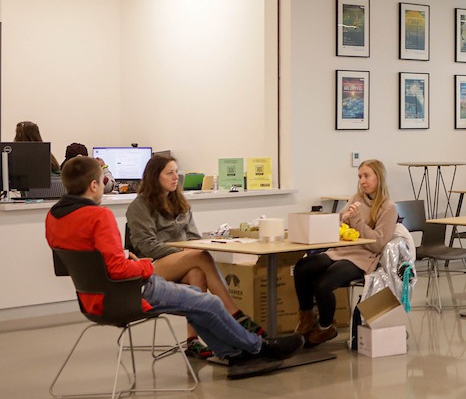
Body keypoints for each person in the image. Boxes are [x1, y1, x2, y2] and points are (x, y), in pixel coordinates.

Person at [46, 156, 302, 378]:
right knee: (209, 304)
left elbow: (91, 262)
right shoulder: (98, 215)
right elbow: (118, 270)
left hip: (94, 298)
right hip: (130, 292)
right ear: (93, 185)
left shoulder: (54, 216)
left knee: (199, 294)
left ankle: (234, 354)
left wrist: (127, 260)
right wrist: (144, 266)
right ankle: (259, 348)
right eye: (103, 181)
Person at [126, 154, 262, 357]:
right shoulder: (139, 207)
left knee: (197, 272)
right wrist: (184, 253)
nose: (175, 178)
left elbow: (194, 238)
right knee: (199, 257)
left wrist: (188, 253)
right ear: (155, 177)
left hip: (180, 261)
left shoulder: (181, 203)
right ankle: (233, 311)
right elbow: (147, 246)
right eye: (169, 173)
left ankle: (192, 340)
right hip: (151, 266)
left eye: (176, 173)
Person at [293, 159, 397, 347]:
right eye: (360, 177)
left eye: (367, 176)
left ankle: (326, 327)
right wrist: (343, 218)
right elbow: (340, 225)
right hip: (340, 250)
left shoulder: (389, 208)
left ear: (379, 178)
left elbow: (378, 244)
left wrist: (356, 220)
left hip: (363, 257)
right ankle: (307, 317)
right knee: (303, 267)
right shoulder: (356, 198)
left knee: (323, 284)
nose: (362, 181)